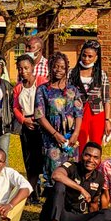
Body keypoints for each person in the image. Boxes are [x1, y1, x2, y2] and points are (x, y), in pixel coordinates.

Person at [42, 142, 111, 221]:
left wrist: (96, 220)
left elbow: (93, 204)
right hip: (51, 216)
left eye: (95, 157)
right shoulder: (71, 166)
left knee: (108, 213)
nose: (91, 160)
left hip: (72, 219)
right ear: (81, 155)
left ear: (99, 160)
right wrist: (81, 189)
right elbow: (56, 175)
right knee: (59, 185)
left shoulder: (99, 178)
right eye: (87, 155)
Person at [36, 53, 86, 191]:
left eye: (62, 67)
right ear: (50, 68)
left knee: (71, 169)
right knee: (53, 171)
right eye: (55, 67)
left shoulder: (73, 90)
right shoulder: (43, 90)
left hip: (71, 138)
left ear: (66, 69)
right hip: (51, 137)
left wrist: (76, 133)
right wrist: (55, 134)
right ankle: (53, 202)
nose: (58, 70)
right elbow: (39, 115)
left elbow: (79, 113)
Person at [12, 54, 46, 196]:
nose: (23, 71)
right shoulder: (18, 88)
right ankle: (33, 191)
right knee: (29, 159)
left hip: (42, 125)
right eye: (20, 68)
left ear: (32, 67)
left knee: (42, 158)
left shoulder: (41, 82)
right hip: (27, 125)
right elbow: (15, 107)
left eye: (26, 68)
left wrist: (39, 120)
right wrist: (24, 120)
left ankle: (46, 188)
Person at [69, 41, 111, 151]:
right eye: (84, 55)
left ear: (96, 57)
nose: (86, 59)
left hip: (97, 112)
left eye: (90, 56)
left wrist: (107, 120)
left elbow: (106, 99)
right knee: (79, 142)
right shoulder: (72, 73)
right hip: (78, 113)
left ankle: (94, 166)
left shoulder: (102, 74)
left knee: (95, 143)